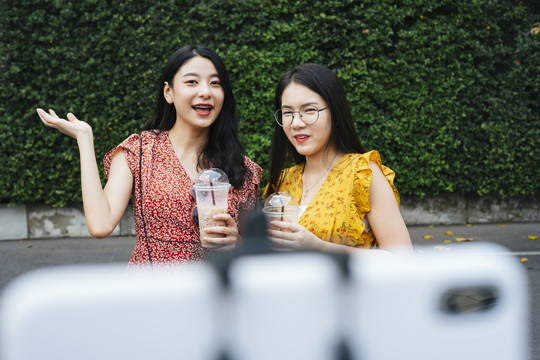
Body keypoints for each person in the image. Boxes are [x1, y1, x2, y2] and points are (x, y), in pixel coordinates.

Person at [37, 45, 262, 267]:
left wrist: (239, 243)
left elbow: (256, 257)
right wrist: (84, 139)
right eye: (192, 81)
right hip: (151, 293)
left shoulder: (244, 169)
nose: (205, 91)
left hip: (214, 297)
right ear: (168, 92)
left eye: (215, 83)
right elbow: (100, 224)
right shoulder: (140, 151)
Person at [265, 63, 412, 254]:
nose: (296, 123)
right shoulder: (282, 182)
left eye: (309, 110)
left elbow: (401, 258)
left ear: (335, 112)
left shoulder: (362, 175)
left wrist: (317, 246)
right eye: (288, 113)